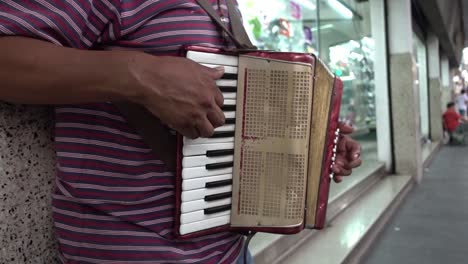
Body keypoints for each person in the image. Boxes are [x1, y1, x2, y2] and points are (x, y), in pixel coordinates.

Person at [0, 1, 362, 263]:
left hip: (230, 252)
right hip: (133, 253)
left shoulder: (225, 7)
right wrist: (137, 76)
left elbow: (228, 124)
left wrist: (315, 148)